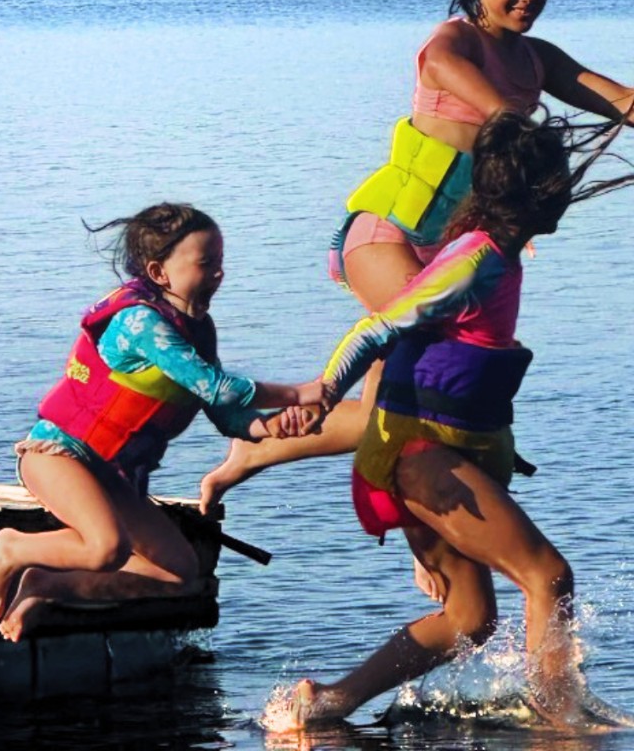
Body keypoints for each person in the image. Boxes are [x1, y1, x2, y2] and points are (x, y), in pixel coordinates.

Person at [200, 0, 634, 517]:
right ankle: (422, 504)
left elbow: (623, 102)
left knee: (387, 409)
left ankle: (264, 451)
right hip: (388, 231)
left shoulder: (539, 59)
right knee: (432, 366)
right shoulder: (452, 43)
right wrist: (522, 143)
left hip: (455, 249)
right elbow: (472, 92)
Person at [266, 110, 634, 732]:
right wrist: (325, 392)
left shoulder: (497, 254)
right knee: (547, 576)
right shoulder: (474, 262)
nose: (566, 195)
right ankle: (560, 721)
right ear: (535, 197)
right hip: (420, 456)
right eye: (558, 184)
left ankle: (325, 704)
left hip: (439, 452)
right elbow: (378, 327)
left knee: (469, 618)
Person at [0, 202, 324, 642]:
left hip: (109, 472)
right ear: (159, 272)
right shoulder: (140, 321)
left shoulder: (198, 327)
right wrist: (298, 392)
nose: (219, 273)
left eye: (220, 261)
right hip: (58, 452)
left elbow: (225, 412)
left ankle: (47, 585)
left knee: (177, 571)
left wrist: (272, 426)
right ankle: (12, 547)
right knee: (106, 548)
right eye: (206, 263)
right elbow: (215, 387)